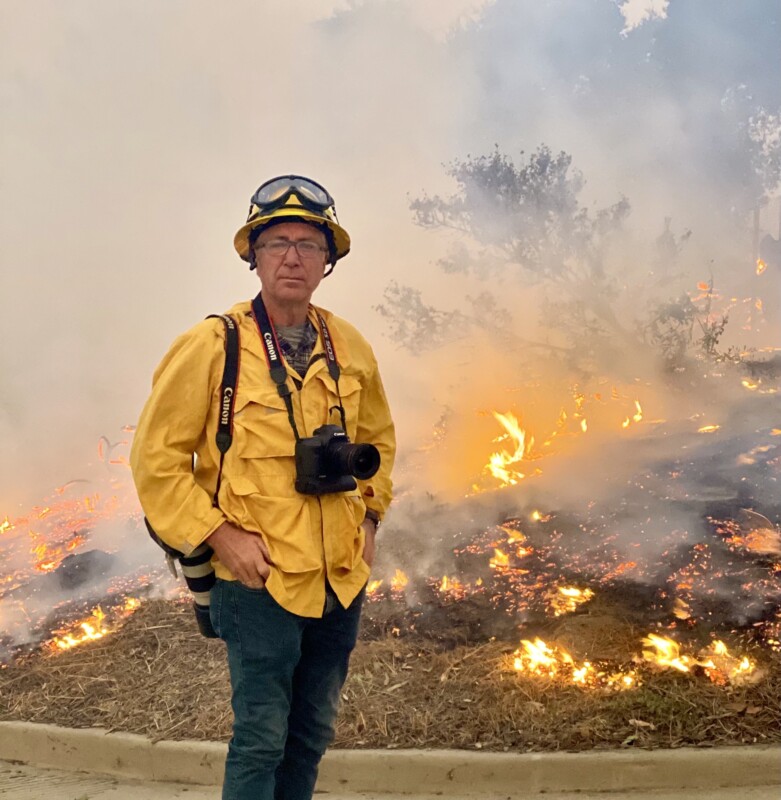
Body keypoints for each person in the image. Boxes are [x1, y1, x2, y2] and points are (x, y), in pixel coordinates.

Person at [130, 175, 396, 800]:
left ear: (328, 261)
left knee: (311, 733)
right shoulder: (214, 345)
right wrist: (221, 536)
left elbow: (378, 443)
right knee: (260, 738)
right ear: (253, 255)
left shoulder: (348, 345)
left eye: (309, 243)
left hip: (339, 578)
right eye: (277, 242)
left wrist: (370, 519)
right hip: (258, 581)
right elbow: (155, 460)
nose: (294, 257)